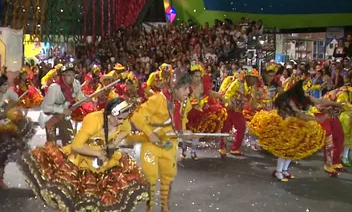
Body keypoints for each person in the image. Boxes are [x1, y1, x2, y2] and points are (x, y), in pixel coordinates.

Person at [19, 98, 148, 211]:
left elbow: (127, 130)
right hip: (82, 159)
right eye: (119, 119)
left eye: (124, 119)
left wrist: (112, 145)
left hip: (106, 161)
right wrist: (97, 153)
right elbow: (77, 145)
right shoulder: (93, 121)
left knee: (102, 198)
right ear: (110, 115)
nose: (122, 122)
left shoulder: (122, 120)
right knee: (74, 198)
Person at [129, 69, 192, 212]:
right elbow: (136, 116)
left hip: (169, 144)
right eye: (184, 88)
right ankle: (149, 208)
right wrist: (150, 134)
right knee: (151, 178)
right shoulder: (157, 99)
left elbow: (179, 124)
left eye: (188, 88)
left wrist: (184, 133)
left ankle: (165, 207)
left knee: (168, 176)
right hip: (151, 144)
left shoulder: (184, 103)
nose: (188, 92)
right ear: (174, 88)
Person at [248, 80, 330, 181]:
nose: (306, 94)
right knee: (285, 150)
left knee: (293, 150)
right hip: (285, 126)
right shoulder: (289, 100)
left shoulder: (302, 97)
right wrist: (317, 119)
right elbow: (299, 114)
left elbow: (319, 101)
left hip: (297, 126)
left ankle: (285, 170)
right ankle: (278, 171)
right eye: (304, 91)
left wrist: (337, 105)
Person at [184, 62, 227, 160]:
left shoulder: (202, 85)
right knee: (185, 135)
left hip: (199, 112)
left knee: (197, 133)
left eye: (200, 76)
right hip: (187, 112)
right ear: (191, 76)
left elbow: (210, 93)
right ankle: (183, 150)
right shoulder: (185, 85)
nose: (198, 78)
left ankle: (193, 152)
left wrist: (221, 96)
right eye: (196, 76)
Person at [39, 63, 85, 144]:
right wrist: (62, 110)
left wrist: (87, 99)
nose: (72, 78)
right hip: (51, 118)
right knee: (51, 146)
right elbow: (45, 107)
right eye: (69, 75)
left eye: (73, 75)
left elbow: (80, 96)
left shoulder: (75, 84)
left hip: (64, 117)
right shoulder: (54, 88)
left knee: (70, 141)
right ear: (63, 76)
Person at [219, 69, 259, 157]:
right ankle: (223, 148)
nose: (255, 81)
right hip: (229, 109)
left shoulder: (250, 87)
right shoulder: (237, 82)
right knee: (226, 128)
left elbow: (251, 101)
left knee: (241, 128)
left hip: (238, 111)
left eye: (256, 79)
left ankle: (234, 148)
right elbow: (227, 95)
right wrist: (228, 105)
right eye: (253, 78)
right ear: (248, 77)